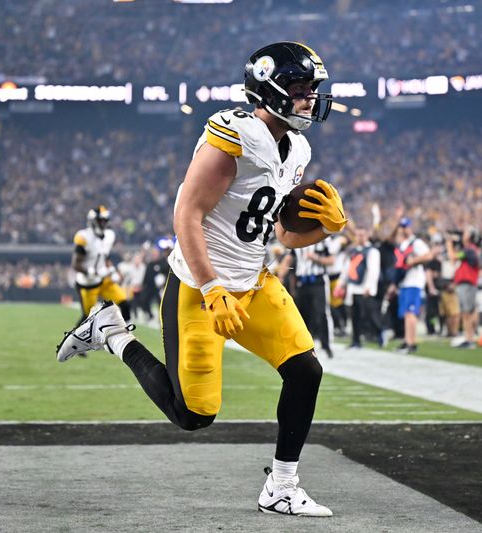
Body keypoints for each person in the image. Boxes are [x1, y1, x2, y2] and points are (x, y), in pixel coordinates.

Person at [57, 42, 341, 516]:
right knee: (193, 415)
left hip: (253, 283)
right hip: (199, 287)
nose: (309, 97)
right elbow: (186, 215)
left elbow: (285, 235)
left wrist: (327, 227)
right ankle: (111, 333)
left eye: (312, 88)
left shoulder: (299, 147)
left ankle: (282, 486)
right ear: (269, 90)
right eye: (299, 87)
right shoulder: (234, 137)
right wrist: (211, 288)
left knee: (305, 370)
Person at [71, 205, 130, 323]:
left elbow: (104, 257)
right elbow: (75, 264)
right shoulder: (84, 236)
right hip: (88, 283)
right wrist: (90, 271)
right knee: (88, 319)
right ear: (92, 221)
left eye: (105, 220)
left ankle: (125, 336)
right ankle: (73, 340)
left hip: (103, 279)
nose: (103, 223)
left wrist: (113, 270)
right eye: (100, 220)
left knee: (124, 303)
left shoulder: (109, 235)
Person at [281, 240, 337, 358]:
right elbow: (289, 258)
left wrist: (316, 258)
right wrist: (280, 275)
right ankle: (304, 348)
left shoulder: (324, 240)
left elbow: (332, 260)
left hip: (318, 281)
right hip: (301, 282)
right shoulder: (299, 237)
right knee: (302, 316)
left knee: (321, 313)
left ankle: (326, 346)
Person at [335, 227, 383, 348]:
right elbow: (347, 269)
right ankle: (356, 340)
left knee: (369, 314)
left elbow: (373, 271)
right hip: (353, 287)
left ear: (367, 235)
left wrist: (369, 287)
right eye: (357, 235)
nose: (359, 237)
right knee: (355, 315)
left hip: (364, 288)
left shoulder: (372, 251)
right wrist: (341, 284)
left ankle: (380, 333)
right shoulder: (353, 251)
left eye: (362, 235)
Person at [391, 217, 433, 354]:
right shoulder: (403, 244)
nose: (404, 229)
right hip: (404, 282)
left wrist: (414, 260)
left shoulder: (417, 242)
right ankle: (406, 340)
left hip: (414, 282)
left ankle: (411, 343)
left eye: (406, 227)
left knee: (411, 313)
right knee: (406, 313)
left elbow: (428, 256)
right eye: (402, 227)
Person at [450, 229, 480, 349]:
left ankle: (469, 339)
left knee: (467, 312)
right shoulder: (469, 250)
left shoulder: (469, 250)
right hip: (466, 284)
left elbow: (453, 257)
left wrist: (448, 244)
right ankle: (469, 337)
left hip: (467, 283)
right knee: (467, 311)